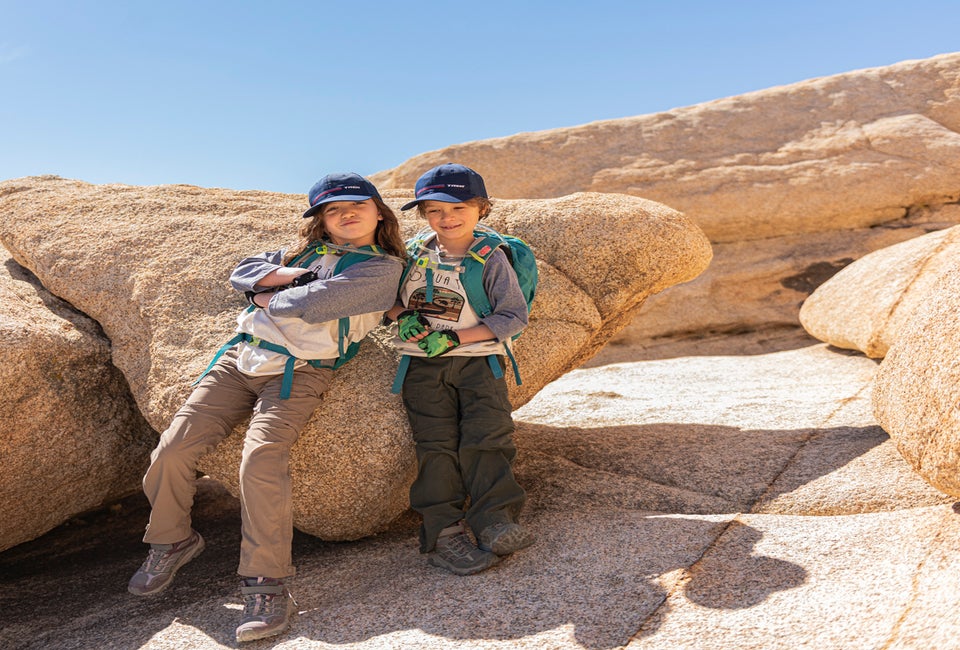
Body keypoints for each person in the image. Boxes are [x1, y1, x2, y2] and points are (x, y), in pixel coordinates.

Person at [127, 172, 406, 643]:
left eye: (357, 205)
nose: (346, 214)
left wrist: (267, 294)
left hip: (300, 373)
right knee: (172, 449)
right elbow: (242, 269)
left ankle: (267, 583)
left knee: (261, 461)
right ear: (321, 220)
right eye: (333, 210)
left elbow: (317, 303)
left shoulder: (382, 268)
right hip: (239, 360)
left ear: (379, 211)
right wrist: (278, 279)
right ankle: (171, 539)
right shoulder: (303, 254)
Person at [386, 163, 535, 576]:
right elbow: (386, 298)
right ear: (423, 215)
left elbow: (513, 315)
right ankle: (443, 532)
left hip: (479, 363)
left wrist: (456, 338)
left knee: (488, 438)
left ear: (481, 209)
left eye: (458, 208)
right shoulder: (412, 254)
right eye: (434, 210)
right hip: (421, 366)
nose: (446, 219)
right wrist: (402, 316)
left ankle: (494, 520)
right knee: (435, 446)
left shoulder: (490, 258)